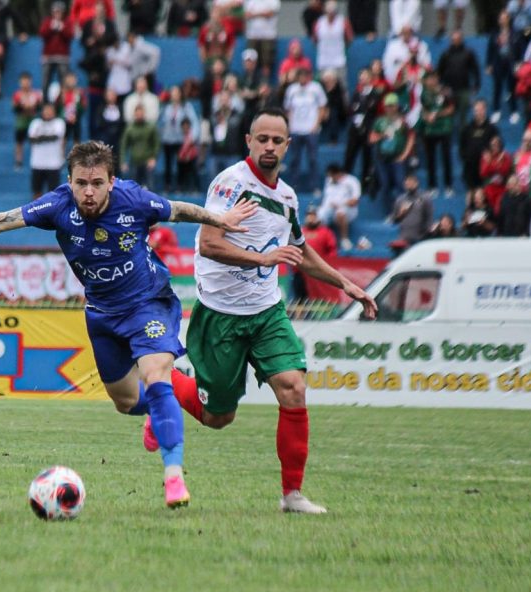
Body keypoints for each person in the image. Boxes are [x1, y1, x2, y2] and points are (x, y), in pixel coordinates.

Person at [0, 140, 256, 509]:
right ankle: (157, 412)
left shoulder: (134, 200)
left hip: (149, 302)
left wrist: (220, 220)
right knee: (125, 401)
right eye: (81, 182)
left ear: (111, 182)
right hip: (101, 313)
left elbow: (178, 210)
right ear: (69, 181)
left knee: (156, 374)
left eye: (97, 183)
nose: (88, 191)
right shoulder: (57, 205)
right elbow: (1, 220)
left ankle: (173, 477)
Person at [147, 109, 377, 514]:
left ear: (288, 145)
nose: (269, 147)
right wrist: (265, 258)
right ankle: (167, 390)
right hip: (220, 314)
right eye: (263, 139)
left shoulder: (287, 197)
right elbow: (208, 243)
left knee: (293, 388)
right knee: (219, 418)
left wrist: (345, 283)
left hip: (267, 312)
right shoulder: (231, 184)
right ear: (249, 141)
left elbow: (300, 252)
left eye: (277, 140)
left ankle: (292, 495)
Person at [282, 66, 326, 194]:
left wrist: (316, 124)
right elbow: (288, 108)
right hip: (296, 128)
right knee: (294, 159)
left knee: (312, 159)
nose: (302, 79)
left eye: (304, 76)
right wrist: (289, 125)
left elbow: (322, 107)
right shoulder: (292, 90)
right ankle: (293, 187)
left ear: (308, 76)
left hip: (310, 128)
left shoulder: (316, 88)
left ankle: (315, 186)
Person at [370, 93, 415, 208]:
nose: (389, 108)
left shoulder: (403, 121)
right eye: (387, 106)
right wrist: (382, 136)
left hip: (398, 157)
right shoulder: (380, 121)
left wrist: (405, 155)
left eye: (392, 106)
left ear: (397, 106)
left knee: (401, 183)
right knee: (385, 184)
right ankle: (389, 212)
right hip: (382, 157)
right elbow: (371, 139)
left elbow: (411, 137)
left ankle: (403, 210)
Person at [419, 70, 455, 197]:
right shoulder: (424, 93)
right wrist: (426, 116)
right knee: (431, 159)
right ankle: (432, 186)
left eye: (433, 78)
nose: (431, 81)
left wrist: (437, 115)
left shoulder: (446, 91)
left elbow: (451, 109)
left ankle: (448, 186)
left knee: (446, 157)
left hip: (444, 128)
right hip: (430, 130)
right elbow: (423, 110)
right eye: (429, 79)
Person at [436, 30, 479, 131]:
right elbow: (439, 71)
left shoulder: (468, 53)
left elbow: (475, 69)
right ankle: (448, 140)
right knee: (449, 115)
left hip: (464, 89)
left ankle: (463, 141)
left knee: (463, 117)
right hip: (449, 90)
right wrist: (440, 86)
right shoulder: (445, 54)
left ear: (462, 40)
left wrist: (477, 84)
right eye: (453, 39)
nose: (455, 41)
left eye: (458, 39)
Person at [28, 102, 66, 198]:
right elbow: (31, 138)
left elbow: (55, 136)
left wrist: (40, 137)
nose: (48, 112)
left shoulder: (59, 123)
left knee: (54, 193)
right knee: (36, 192)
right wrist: (44, 137)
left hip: (53, 164)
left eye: (50, 110)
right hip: (37, 163)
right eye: (46, 110)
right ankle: (36, 212)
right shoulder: (35, 123)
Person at [318, 163, 360, 250]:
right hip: (330, 208)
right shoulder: (329, 180)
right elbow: (326, 199)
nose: (330, 178)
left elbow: (355, 201)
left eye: (332, 176)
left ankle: (344, 240)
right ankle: (321, 241)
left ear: (338, 174)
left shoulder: (352, 181)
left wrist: (340, 204)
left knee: (340, 212)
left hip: (348, 209)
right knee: (318, 216)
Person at [389, 173, 433, 253]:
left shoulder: (425, 198)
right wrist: (400, 214)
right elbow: (394, 220)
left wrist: (425, 233)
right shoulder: (400, 200)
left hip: (420, 237)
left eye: (411, 182)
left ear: (416, 183)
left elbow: (429, 217)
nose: (409, 184)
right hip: (404, 237)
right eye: (407, 182)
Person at [120, 104, 159, 188]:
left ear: (144, 114)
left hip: (147, 162)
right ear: (134, 114)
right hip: (134, 162)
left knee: (150, 188)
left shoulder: (151, 127)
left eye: (141, 114)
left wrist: (153, 158)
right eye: (137, 114)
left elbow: (156, 144)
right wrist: (123, 161)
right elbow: (124, 145)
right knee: (134, 188)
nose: (139, 116)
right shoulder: (130, 128)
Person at [312, 0, 350, 85]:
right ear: (325, 10)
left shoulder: (342, 21)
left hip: (339, 60)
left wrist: (342, 48)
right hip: (323, 60)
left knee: (341, 85)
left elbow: (349, 38)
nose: (330, 13)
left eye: (332, 10)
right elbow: (314, 39)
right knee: (322, 85)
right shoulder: (319, 22)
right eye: (328, 10)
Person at [40, 1, 73, 94]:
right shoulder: (47, 21)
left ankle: (64, 103)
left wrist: (61, 28)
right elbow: (42, 33)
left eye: (59, 11)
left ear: (63, 12)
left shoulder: (67, 22)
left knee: (64, 82)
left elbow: (70, 35)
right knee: (45, 82)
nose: (57, 14)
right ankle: (45, 104)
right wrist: (51, 27)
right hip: (48, 57)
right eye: (55, 11)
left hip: (62, 57)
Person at [12, 72, 43, 170]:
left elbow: (39, 107)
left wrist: (32, 107)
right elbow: (15, 108)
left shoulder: (36, 94)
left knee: (35, 142)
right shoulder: (17, 95)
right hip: (21, 121)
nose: (25, 83)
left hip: (33, 121)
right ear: (20, 82)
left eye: (27, 81)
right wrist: (23, 106)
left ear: (31, 82)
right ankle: (18, 161)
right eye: (23, 81)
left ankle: (37, 160)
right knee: (19, 142)